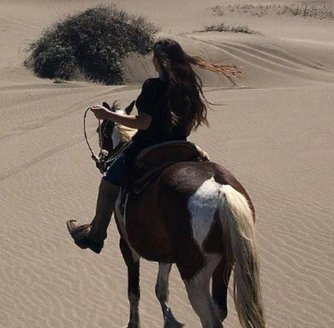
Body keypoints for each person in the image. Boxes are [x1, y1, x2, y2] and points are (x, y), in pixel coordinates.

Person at [66, 38, 240, 253]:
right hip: (181, 145)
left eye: (154, 57)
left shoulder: (153, 86)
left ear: (158, 60)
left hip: (148, 146)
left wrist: (106, 114)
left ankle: (96, 235)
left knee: (109, 178)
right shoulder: (188, 87)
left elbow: (142, 123)